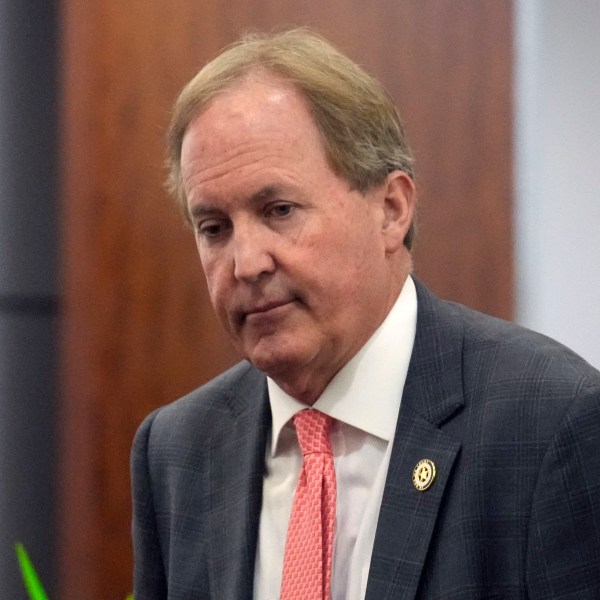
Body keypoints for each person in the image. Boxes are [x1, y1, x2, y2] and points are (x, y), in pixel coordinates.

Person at [131, 29, 600, 599]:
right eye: (214, 229)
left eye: (279, 210)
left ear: (391, 209)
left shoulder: (549, 419)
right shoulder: (177, 450)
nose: (245, 263)